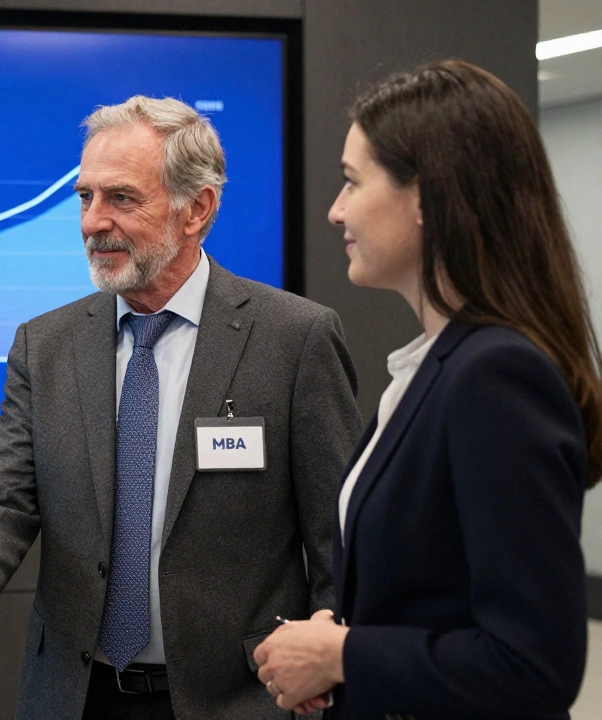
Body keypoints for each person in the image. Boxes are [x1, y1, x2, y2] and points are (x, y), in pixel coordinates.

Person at [0, 95, 362, 719]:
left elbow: (338, 540)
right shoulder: (45, 344)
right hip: (76, 698)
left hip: (242, 700)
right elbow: (1, 499)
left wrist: (334, 669)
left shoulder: (294, 340)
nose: (92, 222)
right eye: (85, 198)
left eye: (121, 198)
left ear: (198, 209)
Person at [253, 59, 599, 719]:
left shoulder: (495, 376)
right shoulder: (436, 366)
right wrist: (338, 649)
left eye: (352, 182)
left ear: (425, 197)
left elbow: (534, 665)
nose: (334, 210)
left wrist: (340, 655)